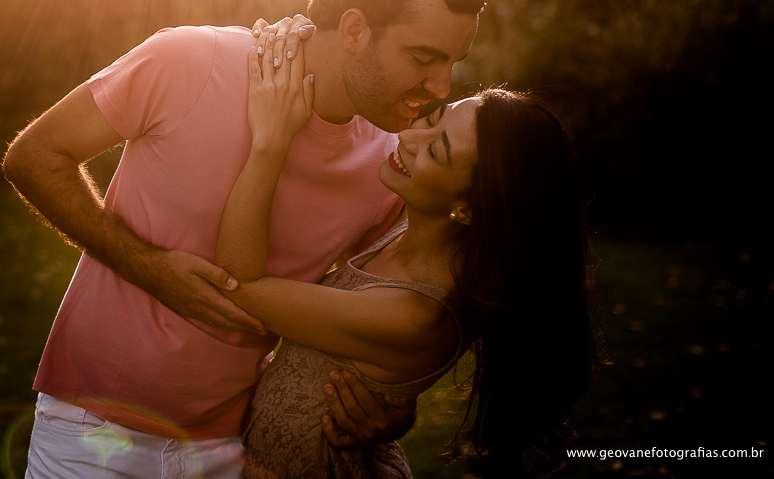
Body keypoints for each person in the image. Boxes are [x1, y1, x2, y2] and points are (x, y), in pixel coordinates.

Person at [2, 0, 488, 478]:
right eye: (423, 57)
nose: (440, 88)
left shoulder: (393, 168)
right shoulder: (191, 60)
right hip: (89, 434)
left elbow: (388, 310)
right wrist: (149, 266)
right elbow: (33, 157)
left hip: (236, 448)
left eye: (451, 64)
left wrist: (393, 404)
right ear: (354, 30)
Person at [218, 42, 598, 478]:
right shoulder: (416, 228)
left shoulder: (412, 314)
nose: (410, 137)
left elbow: (238, 284)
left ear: (469, 208)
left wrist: (270, 138)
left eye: (436, 151)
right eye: (433, 119)